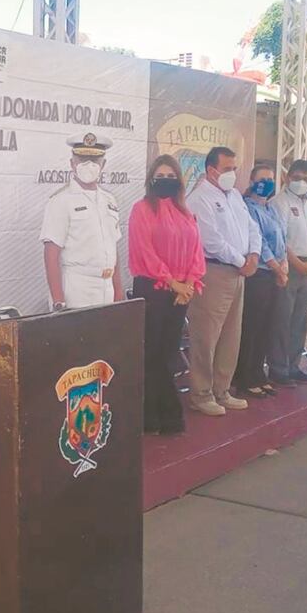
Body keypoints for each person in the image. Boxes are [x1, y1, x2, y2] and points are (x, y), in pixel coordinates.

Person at [128, 155, 206, 434]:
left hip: (181, 293)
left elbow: (197, 251)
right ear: (151, 179)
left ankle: (162, 416)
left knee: (169, 354)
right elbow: (144, 252)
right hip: (153, 289)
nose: (166, 180)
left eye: (172, 176)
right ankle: (160, 417)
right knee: (153, 356)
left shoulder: (185, 212)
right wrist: (173, 282)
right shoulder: (141, 210)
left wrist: (190, 283)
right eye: (161, 175)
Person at [185, 146, 262, 416]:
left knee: (231, 334)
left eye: (234, 169)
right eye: (228, 169)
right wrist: (243, 262)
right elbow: (211, 240)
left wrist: (253, 254)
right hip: (214, 271)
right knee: (206, 336)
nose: (233, 174)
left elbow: (252, 227)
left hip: (239, 272)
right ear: (211, 170)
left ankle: (222, 389)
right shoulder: (199, 198)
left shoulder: (234, 197)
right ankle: (201, 393)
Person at [41, 132, 125, 310]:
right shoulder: (61, 201)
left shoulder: (110, 200)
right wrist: (58, 300)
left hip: (107, 289)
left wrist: (118, 292)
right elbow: (51, 254)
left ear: (103, 165)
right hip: (76, 291)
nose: (89, 165)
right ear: (72, 164)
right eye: (83, 159)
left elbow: (113, 250)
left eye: (94, 160)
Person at [232, 163, 288, 399]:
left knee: (267, 327)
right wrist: (276, 267)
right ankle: (245, 377)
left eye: (271, 178)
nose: (267, 182)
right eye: (263, 178)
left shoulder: (271, 209)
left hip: (275, 273)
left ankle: (259, 373)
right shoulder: (248, 207)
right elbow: (260, 242)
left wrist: (284, 264)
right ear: (252, 181)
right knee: (252, 328)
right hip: (259, 274)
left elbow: (282, 239)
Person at [269, 159, 307, 386]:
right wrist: (298, 264)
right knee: (283, 319)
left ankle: (293, 365)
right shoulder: (279, 202)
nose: (301, 183)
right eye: (297, 178)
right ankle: (279, 369)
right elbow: (279, 239)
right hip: (289, 267)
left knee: (301, 319)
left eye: (306, 179)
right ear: (287, 177)